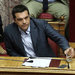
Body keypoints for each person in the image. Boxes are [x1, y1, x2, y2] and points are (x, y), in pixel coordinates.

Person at [4, 5, 74, 57]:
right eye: (20, 19)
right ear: (15, 20)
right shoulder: (9, 30)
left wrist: (66, 48)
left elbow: (59, 38)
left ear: (29, 16)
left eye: (26, 18)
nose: (24, 22)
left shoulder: (41, 24)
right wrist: (22, 60)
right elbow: (11, 51)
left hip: (45, 61)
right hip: (24, 64)